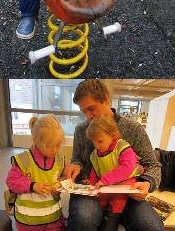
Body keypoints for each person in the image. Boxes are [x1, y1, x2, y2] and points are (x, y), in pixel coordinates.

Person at [64, 79, 164, 230]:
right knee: (84, 218)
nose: (88, 116)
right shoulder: (81, 129)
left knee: (152, 226)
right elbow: (77, 159)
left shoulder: (133, 128)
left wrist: (147, 183)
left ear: (106, 99)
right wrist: (75, 167)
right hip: (90, 188)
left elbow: (153, 165)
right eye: (84, 111)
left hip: (125, 191)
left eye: (91, 109)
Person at [5, 115, 65, 230]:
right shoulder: (23, 160)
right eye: (49, 146)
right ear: (35, 140)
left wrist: (61, 185)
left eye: (58, 145)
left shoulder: (59, 160)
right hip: (28, 221)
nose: (55, 150)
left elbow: (61, 178)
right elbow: (11, 181)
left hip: (53, 218)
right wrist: (32, 185)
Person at [86, 115, 144, 231]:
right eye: (94, 142)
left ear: (112, 135)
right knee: (101, 197)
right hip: (108, 181)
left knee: (118, 199)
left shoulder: (122, 147)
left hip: (126, 179)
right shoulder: (96, 153)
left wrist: (105, 180)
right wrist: (92, 184)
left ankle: (113, 220)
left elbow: (127, 168)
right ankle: (102, 217)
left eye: (100, 141)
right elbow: (95, 169)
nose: (97, 145)